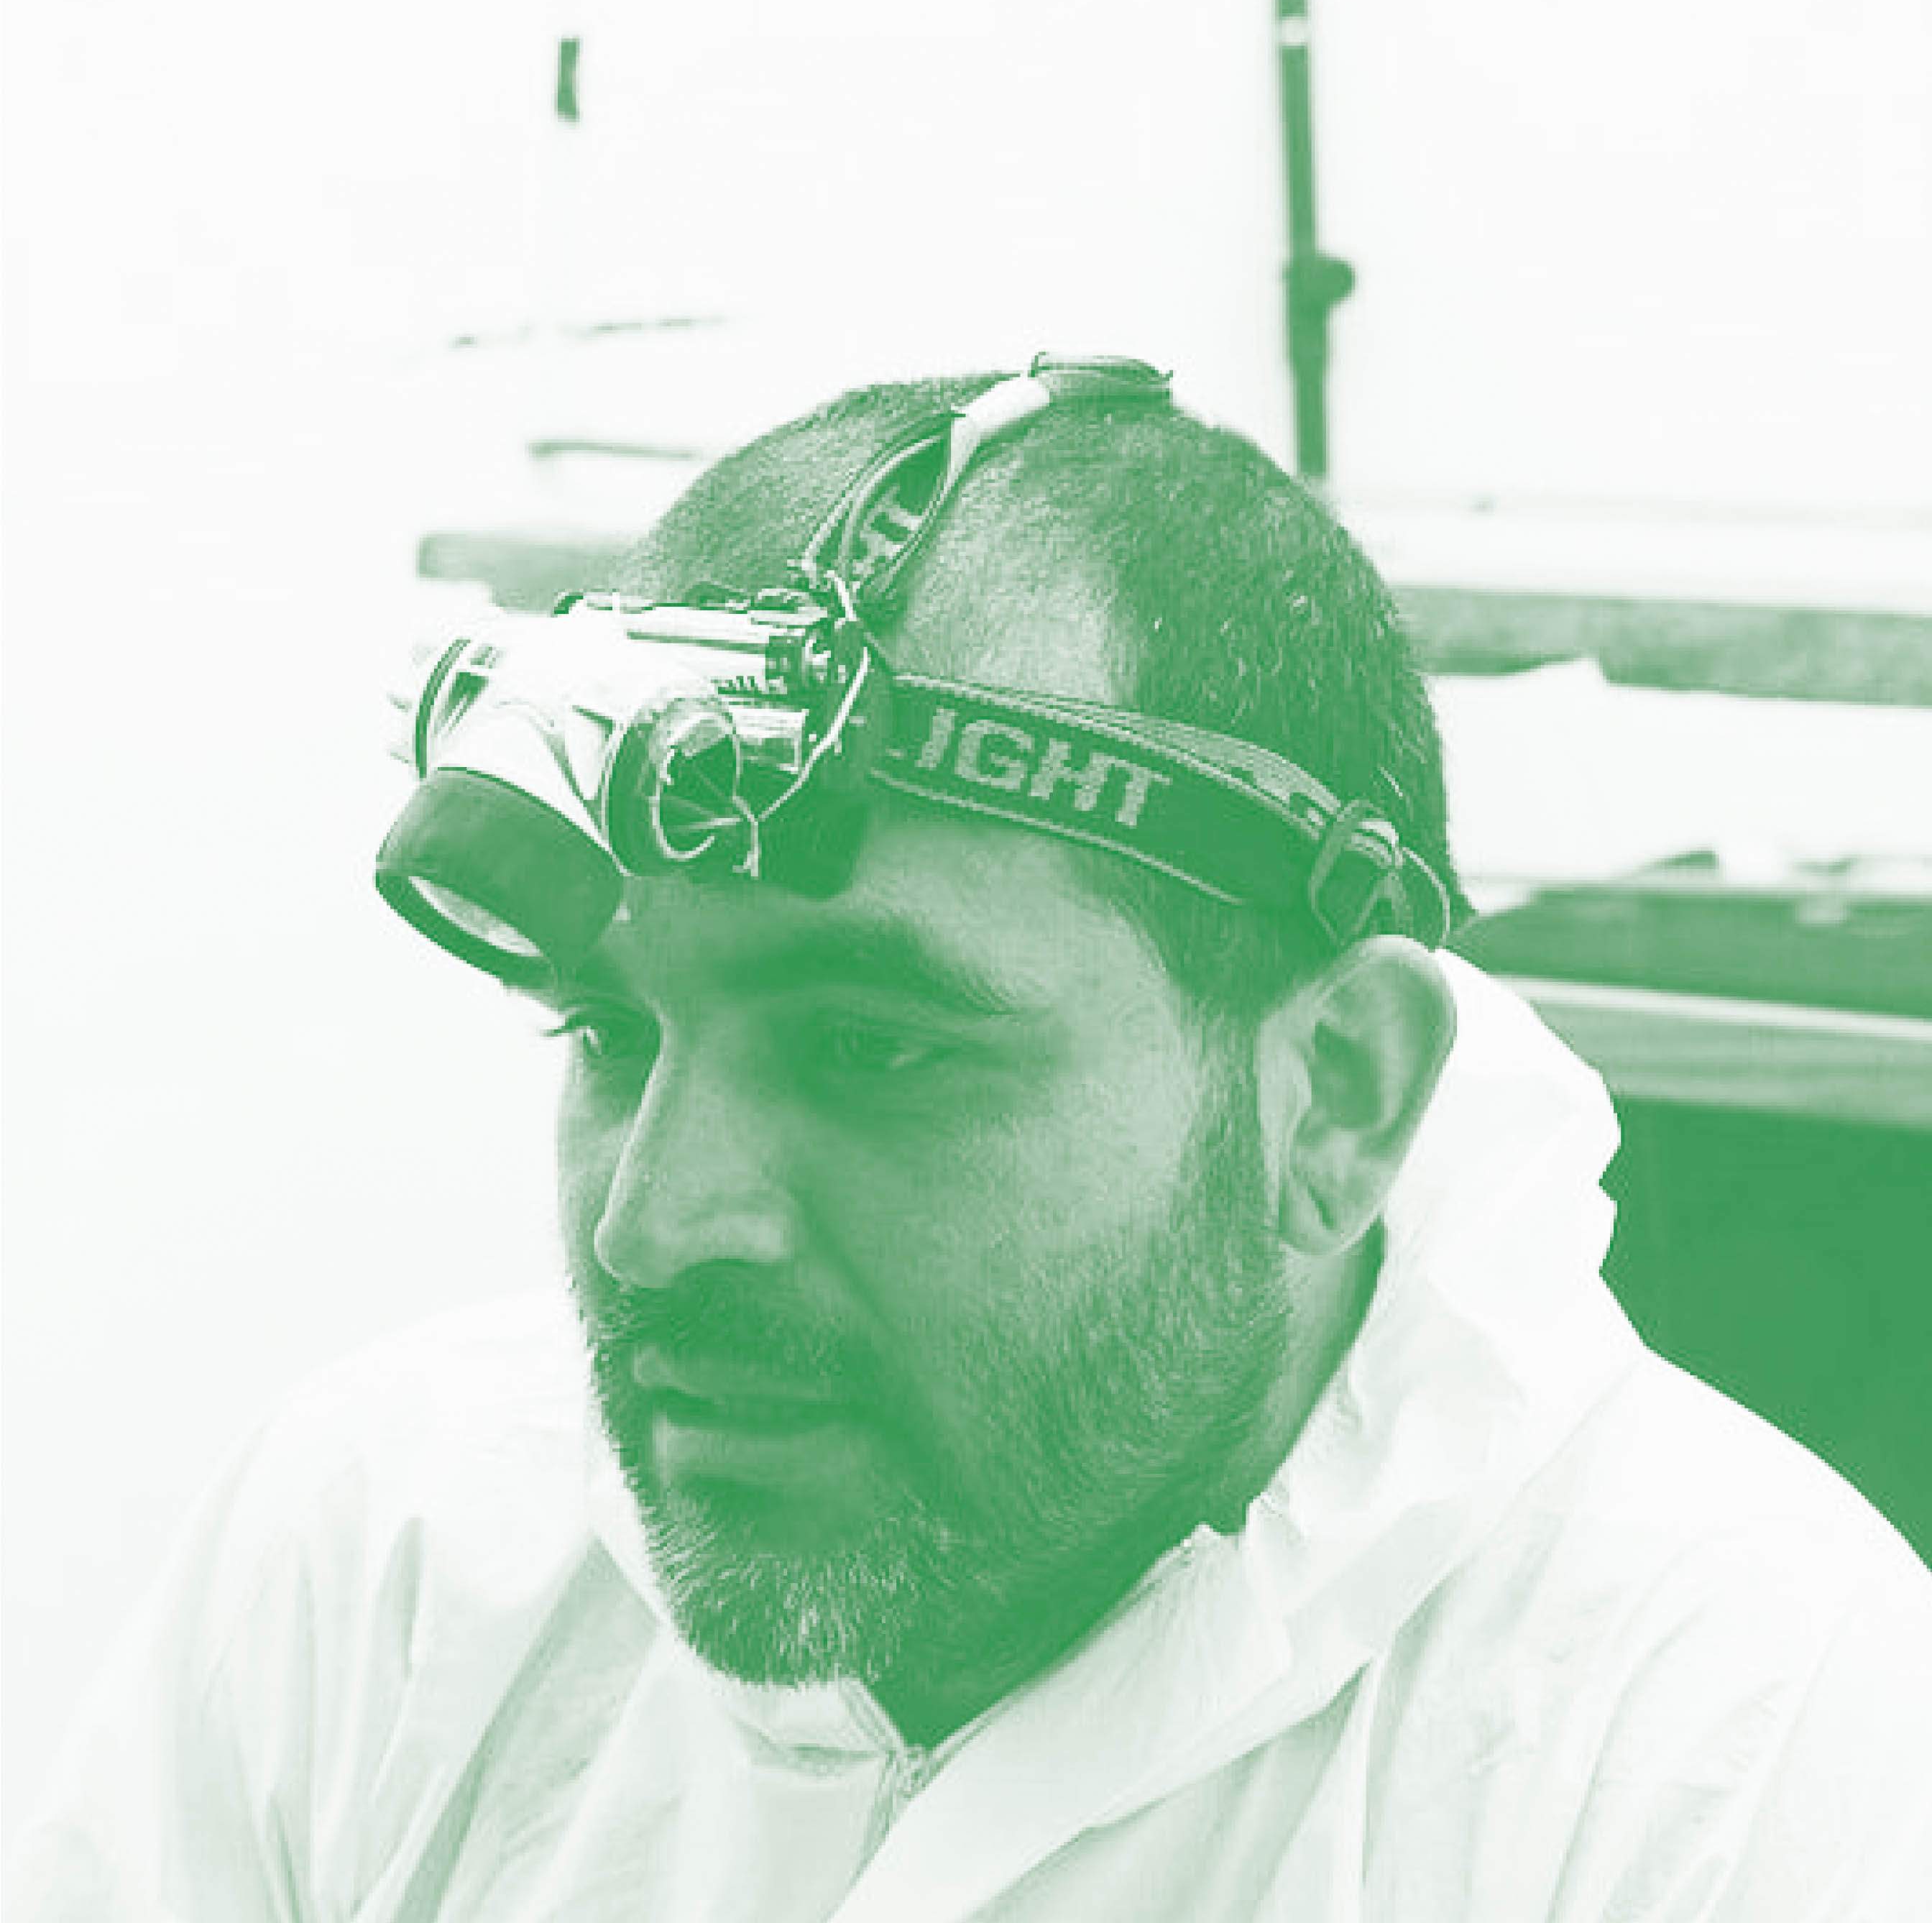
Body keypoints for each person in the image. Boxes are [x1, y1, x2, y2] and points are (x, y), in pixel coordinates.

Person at [15, 357, 1932, 1921]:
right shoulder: (392, 1556)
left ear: (1335, 1095)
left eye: (871, 1049)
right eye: (609, 1032)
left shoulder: (1738, 1756)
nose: (656, 1224)